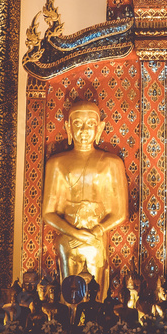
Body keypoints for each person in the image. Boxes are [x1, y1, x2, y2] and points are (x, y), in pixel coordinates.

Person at [42, 101, 128, 299]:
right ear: (68, 127)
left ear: (100, 128)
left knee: (96, 295)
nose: (84, 130)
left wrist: (95, 231)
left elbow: (120, 213)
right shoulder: (57, 163)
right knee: (68, 295)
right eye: (78, 124)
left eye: (90, 124)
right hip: (67, 238)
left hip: (95, 239)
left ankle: (95, 327)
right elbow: (48, 213)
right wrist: (76, 233)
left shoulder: (111, 163)